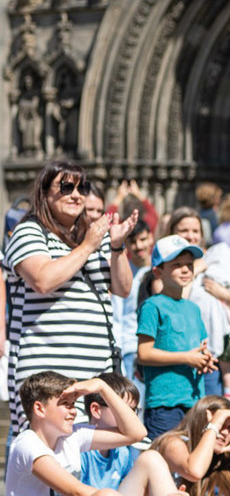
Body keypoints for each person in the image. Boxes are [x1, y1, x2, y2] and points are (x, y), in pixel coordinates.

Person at [5, 161, 139, 436]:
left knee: (90, 466)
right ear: (44, 192)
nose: (77, 194)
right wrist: (89, 244)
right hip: (46, 372)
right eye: (66, 187)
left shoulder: (96, 236)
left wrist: (115, 246)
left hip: (96, 376)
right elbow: (43, 280)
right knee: (48, 466)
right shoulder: (29, 232)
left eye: (83, 187)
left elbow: (123, 288)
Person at [7, 371, 182, 496]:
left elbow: (136, 434)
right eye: (66, 404)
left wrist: (103, 388)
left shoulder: (73, 437)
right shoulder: (27, 444)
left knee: (151, 458)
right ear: (39, 408)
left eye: (74, 404)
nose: (74, 411)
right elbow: (76, 491)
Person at [135, 234, 215, 439]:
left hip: (194, 402)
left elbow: (199, 347)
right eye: (177, 264)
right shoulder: (152, 306)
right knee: (164, 463)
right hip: (164, 404)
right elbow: (144, 353)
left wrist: (205, 359)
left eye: (189, 264)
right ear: (158, 271)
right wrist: (187, 358)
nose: (186, 269)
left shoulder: (193, 309)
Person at [167, 206, 230, 397]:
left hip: (212, 360)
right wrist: (195, 269)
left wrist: (225, 296)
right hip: (180, 357)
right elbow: (173, 304)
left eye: (195, 231)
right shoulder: (165, 268)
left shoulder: (216, 261)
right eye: (184, 230)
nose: (190, 236)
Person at [151, 395, 230, 495]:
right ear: (202, 420)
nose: (225, 432)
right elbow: (194, 471)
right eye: (220, 423)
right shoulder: (172, 443)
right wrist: (213, 427)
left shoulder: (225, 459)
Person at [78, 373, 142, 491]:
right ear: (96, 410)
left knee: (152, 458)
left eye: (134, 410)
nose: (131, 416)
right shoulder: (79, 450)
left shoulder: (122, 453)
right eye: (123, 408)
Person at [112, 218, 154, 384]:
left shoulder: (162, 269)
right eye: (133, 241)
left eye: (143, 239)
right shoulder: (123, 271)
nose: (139, 246)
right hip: (131, 348)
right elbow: (118, 314)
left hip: (157, 349)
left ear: (151, 237)